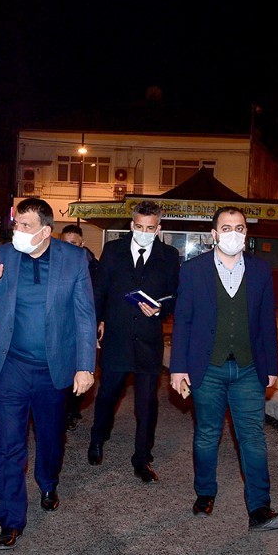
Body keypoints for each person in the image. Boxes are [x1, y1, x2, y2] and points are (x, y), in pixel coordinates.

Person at [0, 197, 97, 550]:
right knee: (8, 446)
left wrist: (85, 365)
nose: (18, 232)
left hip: (53, 369)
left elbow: (85, 315)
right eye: (16, 225)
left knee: (51, 438)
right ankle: (10, 519)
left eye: (25, 226)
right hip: (10, 367)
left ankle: (48, 481)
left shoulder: (73, 260)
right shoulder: (3, 257)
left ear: (45, 230)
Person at [168, 206, 278, 532]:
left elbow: (266, 322)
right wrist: (178, 368)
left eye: (239, 227)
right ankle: (205, 492)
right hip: (208, 368)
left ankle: (260, 508)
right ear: (214, 234)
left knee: (253, 438)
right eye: (226, 227)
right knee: (208, 435)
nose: (233, 233)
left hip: (249, 368)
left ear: (246, 234)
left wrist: (272, 367)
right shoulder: (193, 270)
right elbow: (184, 323)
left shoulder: (261, 271)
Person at [88, 201, 180, 483]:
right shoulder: (114, 250)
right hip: (116, 337)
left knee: (147, 403)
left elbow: (175, 296)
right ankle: (97, 438)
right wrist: (98, 321)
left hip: (149, 342)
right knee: (107, 395)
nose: (143, 232)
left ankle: (142, 457)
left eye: (150, 228)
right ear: (131, 225)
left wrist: (161, 309)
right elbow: (100, 290)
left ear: (158, 228)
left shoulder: (169, 255)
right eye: (139, 227)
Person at [60, 224, 98, 431]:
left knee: (80, 369)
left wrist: (99, 324)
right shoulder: (54, 263)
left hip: (82, 328)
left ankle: (72, 410)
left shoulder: (93, 266)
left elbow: (97, 299)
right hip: (63, 328)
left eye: (73, 244)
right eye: (65, 243)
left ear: (82, 244)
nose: (69, 248)